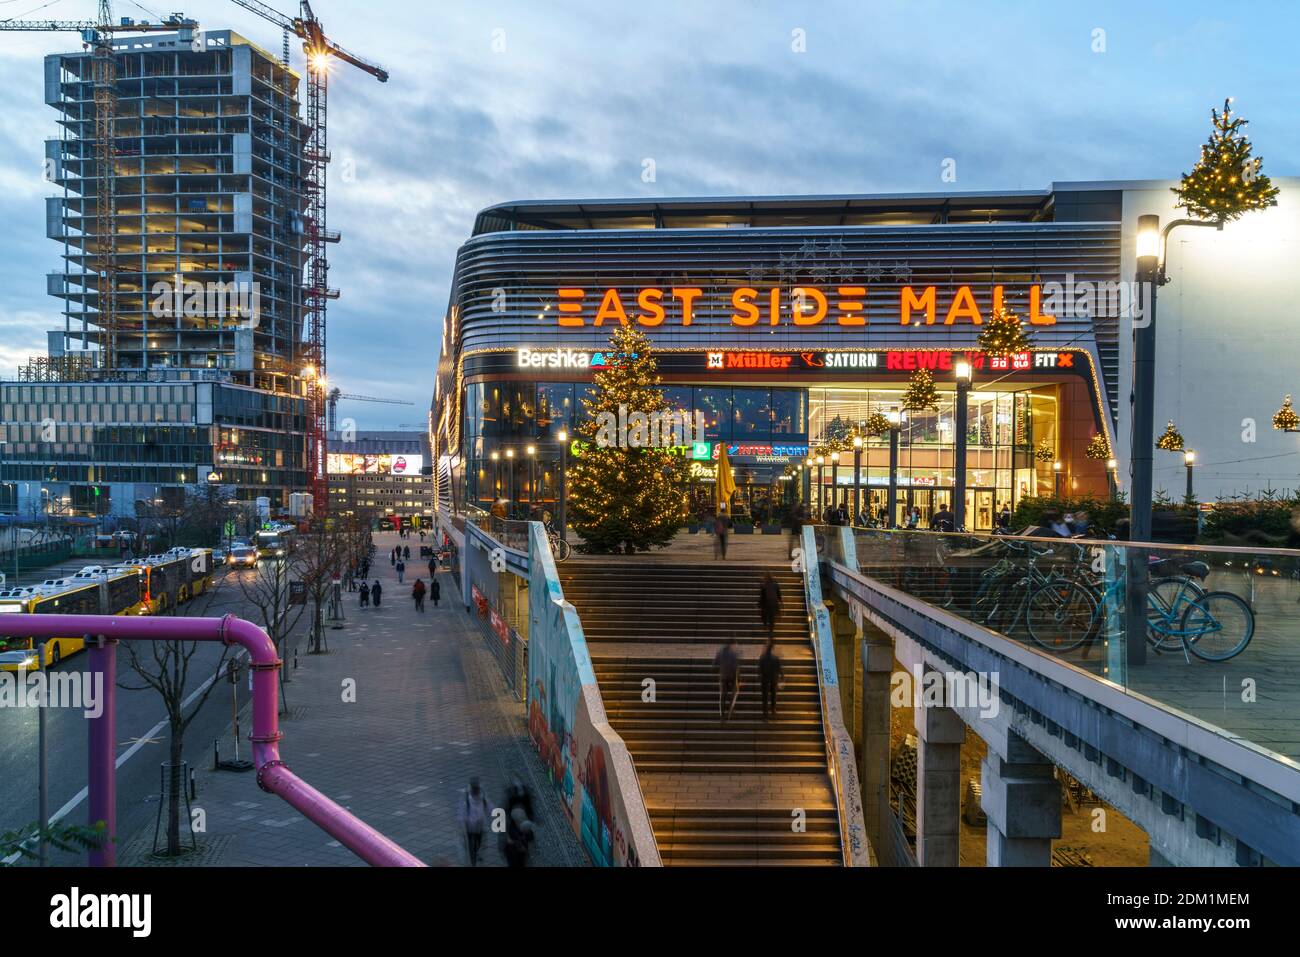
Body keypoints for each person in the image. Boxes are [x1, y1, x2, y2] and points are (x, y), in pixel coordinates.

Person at [458, 777, 492, 866]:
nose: (476, 791)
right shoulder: (466, 797)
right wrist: (462, 826)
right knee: (469, 847)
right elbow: (462, 812)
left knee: (480, 843)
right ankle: (472, 860)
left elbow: (488, 806)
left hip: (479, 826)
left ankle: (478, 853)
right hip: (469, 827)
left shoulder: (482, 795)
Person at [713, 637, 741, 722]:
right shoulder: (733, 654)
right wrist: (738, 679)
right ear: (731, 645)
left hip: (723, 677)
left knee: (723, 696)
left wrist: (720, 671)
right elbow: (735, 667)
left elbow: (714, 664)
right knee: (735, 692)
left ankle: (722, 715)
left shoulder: (720, 652)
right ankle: (730, 710)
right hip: (732, 677)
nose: (736, 646)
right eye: (735, 645)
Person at [758, 638, 783, 720]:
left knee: (765, 697)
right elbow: (779, 669)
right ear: (772, 648)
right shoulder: (775, 658)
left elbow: (760, 669)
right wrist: (782, 677)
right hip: (773, 679)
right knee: (773, 694)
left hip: (765, 680)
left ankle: (765, 715)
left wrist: (760, 677)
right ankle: (773, 709)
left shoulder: (762, 657)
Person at [758, 571, 782, 641]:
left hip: (766, 604)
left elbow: (762, 597)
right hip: (773, 604)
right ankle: (771, 631)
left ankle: (765, 626)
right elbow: (779, 595)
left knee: (764, 616)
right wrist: (780, 601)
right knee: (772, 618)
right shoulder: (775, 584)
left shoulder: (764, 585)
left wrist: (759, 604)